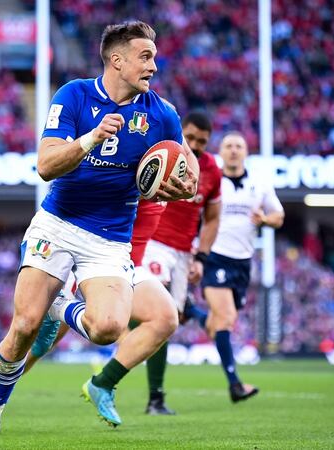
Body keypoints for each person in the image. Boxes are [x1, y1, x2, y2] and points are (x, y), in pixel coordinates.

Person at [0, 20, 198, 449]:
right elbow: (45, 165)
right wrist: (90, 138)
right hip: (58, 223)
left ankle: (60, 307)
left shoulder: (162, 113)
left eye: (154, 56)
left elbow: (187, 168)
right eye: (145, 56)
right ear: (117, 60)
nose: (154, 65)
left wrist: (184, 185)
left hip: (110, 239)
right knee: (23, 328)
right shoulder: (73, 95)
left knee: (108, 327)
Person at [140, 111, 222, 414]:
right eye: (190, 138)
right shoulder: (163, 154)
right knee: (158, 314)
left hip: (184, 253)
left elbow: (212, 218)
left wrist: (201, 257)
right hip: (154, 244)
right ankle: (108, 381)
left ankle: (155, 399)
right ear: (180, 132)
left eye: (202, 141)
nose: (196, 145)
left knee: (167, 326)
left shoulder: (211, 170)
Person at [197, 131, 283, 403]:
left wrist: (265, 220)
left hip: (243, 262)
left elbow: (279, 216)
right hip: (214, 256)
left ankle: (190, 312)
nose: (233, 150)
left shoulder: (259, 184)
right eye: (228, 146)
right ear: (220, 152)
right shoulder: (210, 181)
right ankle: (235, 384)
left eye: (239, 146)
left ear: (246, 152)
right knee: (225, 318)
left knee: (220, 323)